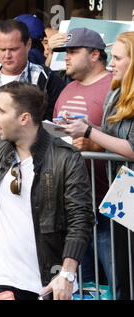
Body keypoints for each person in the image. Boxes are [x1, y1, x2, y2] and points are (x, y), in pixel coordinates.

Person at [0, 81, 94, 300]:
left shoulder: (65, 158)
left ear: (24, 118)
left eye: (1, 111)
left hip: (49, 279)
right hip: (3, 277)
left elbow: (81, 219)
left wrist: (67, 273)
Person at [63, 31, 134, 299]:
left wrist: (89, 132)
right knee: (122, 275)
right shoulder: (116, 92)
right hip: (119, 192)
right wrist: (76, 127)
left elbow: (131, 148)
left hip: (127, 192)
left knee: (125, 274)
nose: (111, 63)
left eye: (117, 58)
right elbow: (111, 136)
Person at [52, 27, 113, 293]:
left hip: (110, 206)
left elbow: (126, 139)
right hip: (75, 206)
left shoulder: (115, 86)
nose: (66, 57)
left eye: (73, 51)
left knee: (118, 281)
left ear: (94, 55)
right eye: (65, 52)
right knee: (86, 286)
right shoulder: (66, 90)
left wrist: (93, 143)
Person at [0, 19, 65, 150]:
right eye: (2, 49)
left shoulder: (48, 80)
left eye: (13, 49)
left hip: (33, 165)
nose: (7, 55)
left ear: (28, 45)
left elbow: (59, 129)